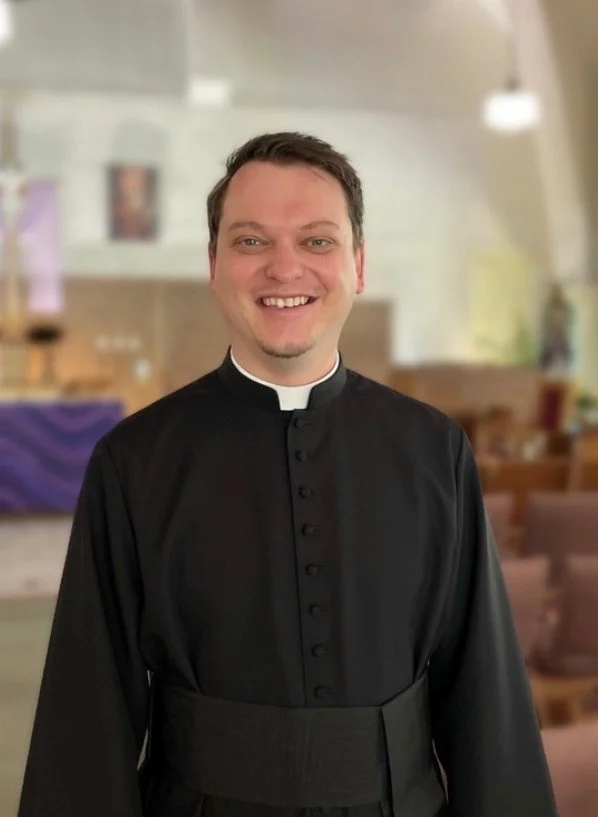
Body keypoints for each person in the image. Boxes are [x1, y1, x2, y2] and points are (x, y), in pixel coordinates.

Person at [18, 132, 557, 817]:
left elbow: (485, 694)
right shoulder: (133, 460)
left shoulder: (434, 449)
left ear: (358, 264)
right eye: (250, 241)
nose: (284, 268)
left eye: (317, 241)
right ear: (213, 265)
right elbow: (86, 713)